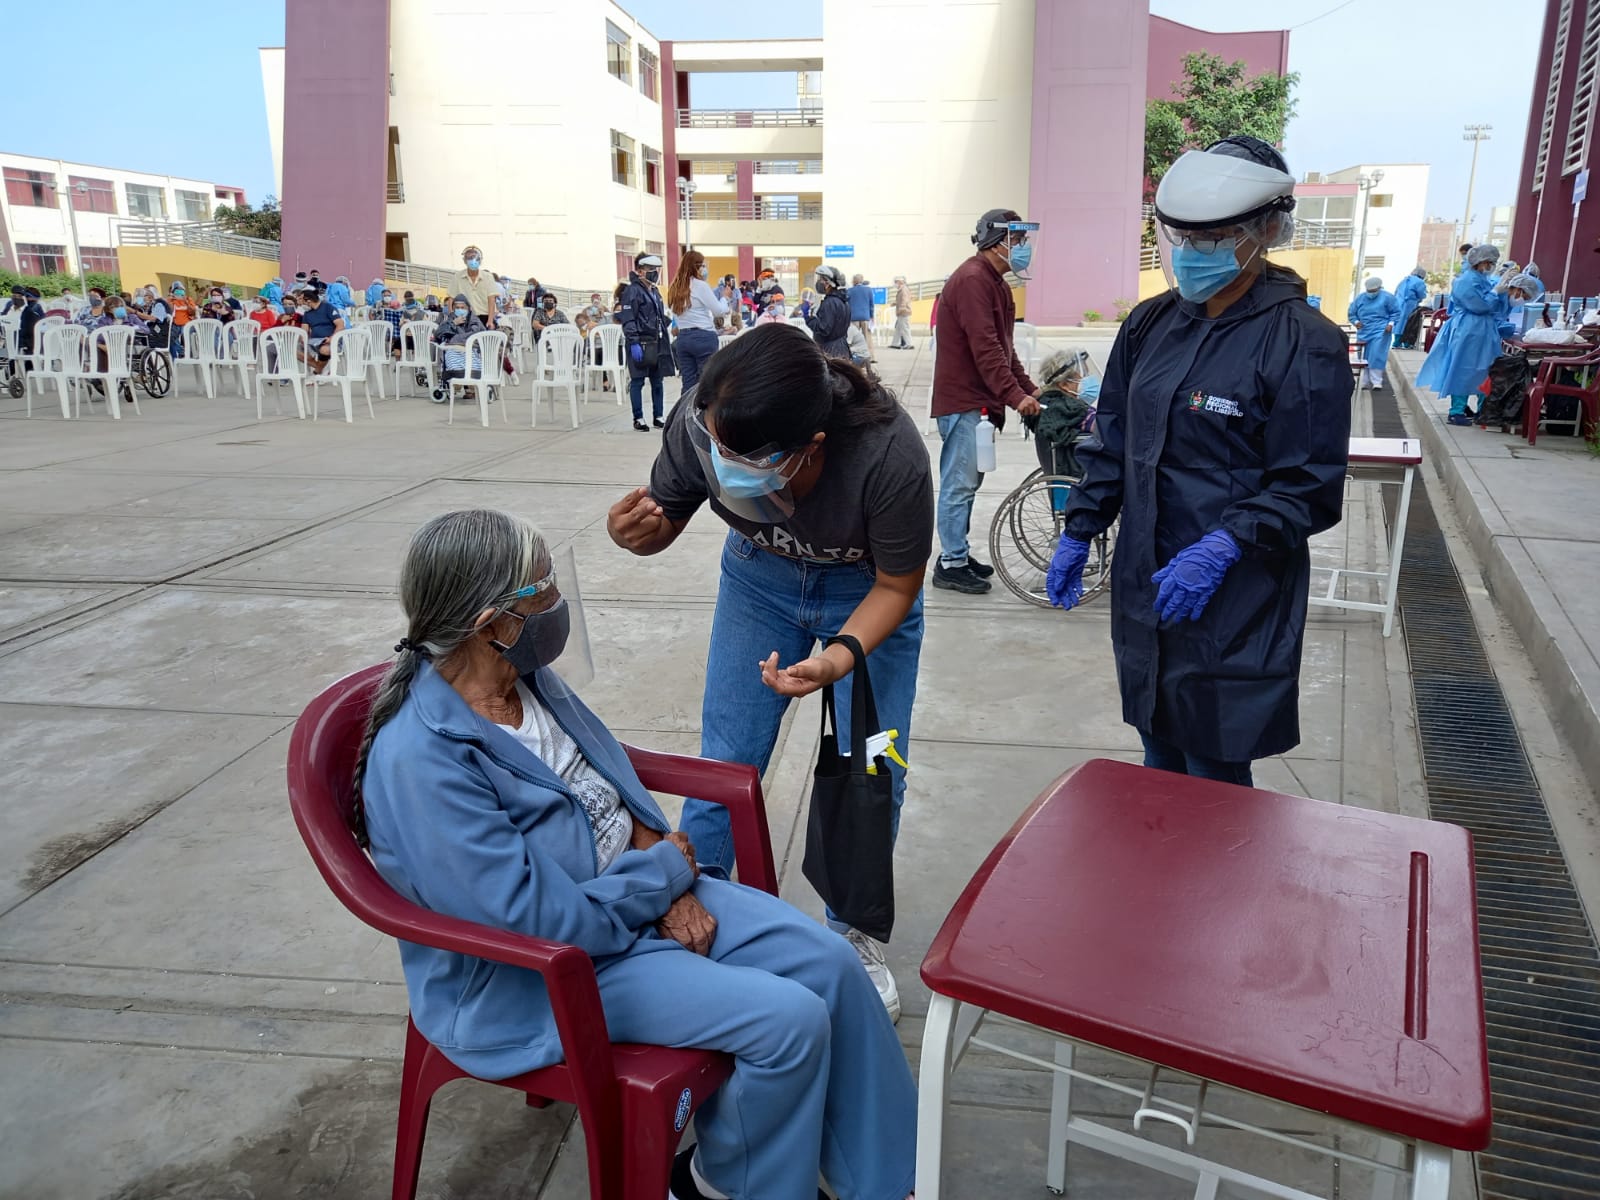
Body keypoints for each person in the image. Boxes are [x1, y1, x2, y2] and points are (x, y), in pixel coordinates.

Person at [355, 509, 916, 1200]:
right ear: (490, 623)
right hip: (547, 973)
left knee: (833, 969)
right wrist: (666, 876)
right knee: (788, 1023)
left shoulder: (519, 679)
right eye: (541, 594)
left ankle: (889, 1185)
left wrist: (665, 875)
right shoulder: (421, 760)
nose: (556, 604)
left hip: (634, 897)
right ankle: (721, 1186)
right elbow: (536, 921)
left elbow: (611, 780)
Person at [606, 324, 933, 1022]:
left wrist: (837, 659)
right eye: (714, 444)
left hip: (865, 590)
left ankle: (853, 933)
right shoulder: (707, 415)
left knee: (874, 768)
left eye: (742, 458)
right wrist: (635, 535)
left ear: (810, 449)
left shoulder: (887, 456)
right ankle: (702, 909)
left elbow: (899, 587)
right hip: (758, 582)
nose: (718, 461)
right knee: (727, 758)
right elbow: (667, 517)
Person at [1048, 134, 1351, 787]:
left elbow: (1309, 484)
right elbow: (1114, 437)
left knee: (1214, 764)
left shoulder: (1304, 343)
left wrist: (1224, 545)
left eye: (1213, 238)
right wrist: (1080, 527)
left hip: (1235, 589)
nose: (1190, 253)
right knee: (1158, 745)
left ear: (1268, 228)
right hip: (1147, 577)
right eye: (1179, 236)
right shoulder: (1150, 325)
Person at [929, 208, 1042, 595]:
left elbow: (1005, 349)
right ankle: (950, 563)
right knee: (959, 486)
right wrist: (1016, 397)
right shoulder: (974, 280)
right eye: (1018, 241)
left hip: (978, 403)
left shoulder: (995, 283)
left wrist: (1029, 389)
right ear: (997, 242)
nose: (1023, 249)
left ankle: (957, 552)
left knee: (968, 484)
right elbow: (986, 349)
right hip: (964, 403)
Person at [1418, 244, 1509, 426]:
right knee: (1463, 368)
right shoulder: (1465, 281)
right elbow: (1479, 306)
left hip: (1482, 330)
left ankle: (1483, 410)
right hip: (1469, 330)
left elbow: (1495, 307)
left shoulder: (1481, 279)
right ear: (1481, 262)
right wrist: (1494, 293)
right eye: (1490, 262)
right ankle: (1457, 410)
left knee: (1486, 369)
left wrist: (1504, 292)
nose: (1492, 266)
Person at [618, 251, 675, 432]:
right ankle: (638, 417)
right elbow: (628, 318)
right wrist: (633, 341)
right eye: (650, 269)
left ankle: (658, 415)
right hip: (640, 341)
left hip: (656, 341)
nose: (654, 273)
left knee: (657, 380)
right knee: (638, 381)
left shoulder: (655, 291)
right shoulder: (632, 291)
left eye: (655, 269)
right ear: (640, 270)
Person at [666, 249, 729, 396]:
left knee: (688, 382)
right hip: (703, 337)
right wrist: (724, 298)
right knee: (707, 381)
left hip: (684, 338)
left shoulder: (674, 287)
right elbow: (718, 311)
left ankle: (685, 413)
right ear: (697, 267)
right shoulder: (700, 285)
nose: (704, 269)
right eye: (703, 265)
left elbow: (675, 312)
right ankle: (702, 415)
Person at [431, 293, 487, 402]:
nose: (460, 310)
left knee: (472, 360)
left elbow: (476, 335)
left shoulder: (474, 320)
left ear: (468, 308)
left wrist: (454, 338)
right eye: (457, 308)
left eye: (462, 308)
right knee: (451, 356)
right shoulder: (450, 319)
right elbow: (438, 334)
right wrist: (453, 324)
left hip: (471, 351)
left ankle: (470, 386)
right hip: (454, 351)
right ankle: (456, 382)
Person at [1347, 276, 1400, 390]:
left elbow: (1395, 312)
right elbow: (1352, 313)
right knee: (1363, 356)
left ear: (1379, 288)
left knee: (1376, 355)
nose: (1371, 294)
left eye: (1373, 291)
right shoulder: (1360, 298)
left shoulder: (1387, 297)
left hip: (1380, 330)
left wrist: (1390, 324)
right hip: (1364, 330)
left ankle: (1376, 381)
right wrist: (1356, 322)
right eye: (1369, 291)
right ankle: (1364, 381)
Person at [805, 265, 851, 357]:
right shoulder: (843, 301)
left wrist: (809, 318)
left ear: (828, 283)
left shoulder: (829, 303)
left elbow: (824, 329)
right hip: (842, 349)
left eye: (821, 279)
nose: (819, 282)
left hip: (830, 351)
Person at [297, 287, 346, 374]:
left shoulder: (328, 307)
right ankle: (319, 367)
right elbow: (304, 330)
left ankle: (318, 370)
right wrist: (303, 339)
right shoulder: (307, 314)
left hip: (331, 340)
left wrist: (332, 338)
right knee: (294, 351)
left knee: (324, 350)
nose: (300, 304)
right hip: (314, 341)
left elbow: (340, 324)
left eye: (301, 300)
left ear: (308, 301)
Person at [451, 245, 500, 326]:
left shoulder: (488, 277)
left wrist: (490, 320)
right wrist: (452, 318)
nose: (472, 260)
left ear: (480, 260)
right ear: (464, 260)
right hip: (465, 318)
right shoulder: (457, 276)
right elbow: (451, 299)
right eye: (469, 258)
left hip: (485, 316)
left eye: (475, 257)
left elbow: (491, 299)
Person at [3, 285, 45, 357]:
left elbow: (36, 326)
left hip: (24, 340)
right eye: (14, 296)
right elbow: (3, 318)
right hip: (8, 336)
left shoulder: (32, 309)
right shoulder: (9, 306)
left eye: (19, 296)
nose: (16, 298)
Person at [1393, 267, 1428, 349]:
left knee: (1399, 323)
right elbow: (1422, 294)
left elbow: (1396, 292)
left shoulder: (1405, 280)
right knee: (1410, 323)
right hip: (1410, 304)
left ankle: (1396, 342)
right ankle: (1407, 343)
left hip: (1399, 303)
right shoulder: (1419, 282)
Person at [847, 273, 875, 360]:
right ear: (862, 280)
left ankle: (854, 356)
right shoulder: (868, 290)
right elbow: (871, 305)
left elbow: (847, 304)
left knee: (853, 338)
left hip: (853, 318)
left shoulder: (849, 290)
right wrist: (872, 316)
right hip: (865, 317)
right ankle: (871, 357)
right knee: (867, 338)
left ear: (853, 281)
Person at [890, 276, 913, 349]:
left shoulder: (903, 290)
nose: (895, 284)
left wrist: (901, 308)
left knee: (904, 328)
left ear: (900, 282)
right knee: (898, 328)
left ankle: (909, 344)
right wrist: (896, 303)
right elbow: (901, 300)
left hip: (903, 312)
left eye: (896, 282)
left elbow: (904, 300)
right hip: (902, 312)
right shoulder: (902, 290)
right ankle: (894, 343)